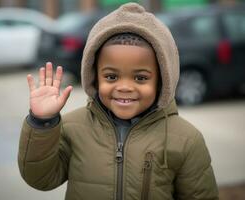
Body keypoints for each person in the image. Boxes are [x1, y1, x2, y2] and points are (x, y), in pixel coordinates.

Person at [18, 3, 219, 200]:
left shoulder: (186, 140)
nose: (124, 87)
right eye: (111, 77)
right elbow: (40, 179)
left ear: (161, 80)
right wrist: (42, 122)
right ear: (95, 77)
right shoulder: (72, 128)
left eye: (140, 78)